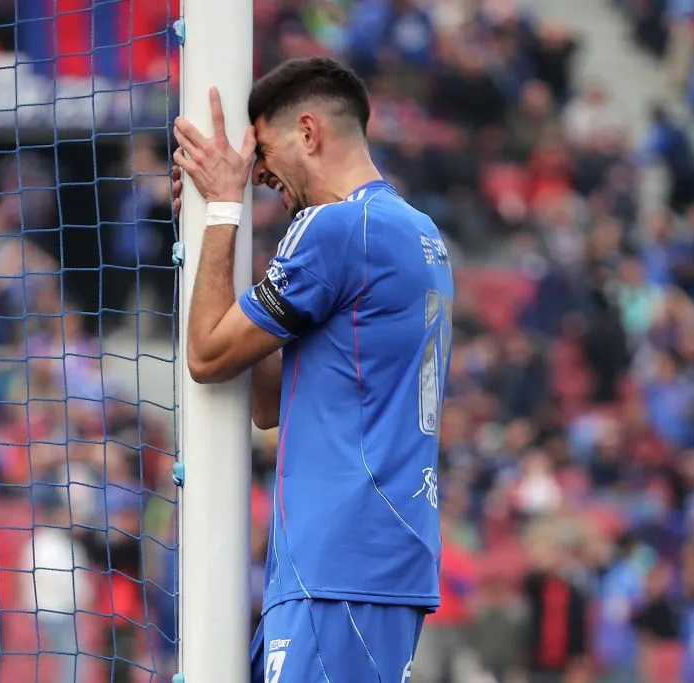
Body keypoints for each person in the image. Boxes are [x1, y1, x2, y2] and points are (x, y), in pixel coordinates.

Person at [171, 56, 454, 682]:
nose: (257, 172)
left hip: (341, 563)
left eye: (263, 151)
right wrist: (213, 234)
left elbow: (208, 356)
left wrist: (221, 211)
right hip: (365, 560)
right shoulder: (418, 232)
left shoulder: (334, 228)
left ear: (308, 132)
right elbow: (268, 399)